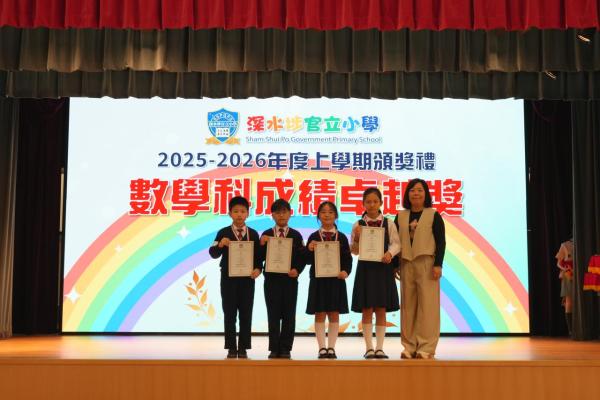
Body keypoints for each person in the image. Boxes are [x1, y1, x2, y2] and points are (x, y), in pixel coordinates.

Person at [394, 178, 446, 359]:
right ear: (407, 194)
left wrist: (438, 264)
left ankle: (426, 347)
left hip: (427, 263)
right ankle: (408, 346)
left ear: (426, 194)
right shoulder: (400, 216)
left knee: (428, 307)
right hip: (406, 262)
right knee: (407, 307)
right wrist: (395, 265)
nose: (416, 193)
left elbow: (441, 242)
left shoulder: (433, 215)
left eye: (419, 190)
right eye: (412, 190)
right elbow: (395, 242)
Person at [209, 196, 262, 359]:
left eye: (243, 211)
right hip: (228, 279)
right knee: (229, 313)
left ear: (248, 213)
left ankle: (243, 347)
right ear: (230, 213)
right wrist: (220, 244)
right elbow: (212, 253)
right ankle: (231, 347)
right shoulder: (223, 232)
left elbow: (259, 257)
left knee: (246, 313)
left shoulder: (253, 234)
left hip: (247, 279)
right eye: (236, 211)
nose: (239, 214)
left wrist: (258, 269)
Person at [350, 188, 400, 359]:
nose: (371, 205)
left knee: (381, 308)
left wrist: (390, 254)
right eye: (368, 202)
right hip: (365, 269)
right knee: (367, 308)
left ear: (381, 203)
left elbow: (396, 244)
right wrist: (357, 238)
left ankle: (379, 348)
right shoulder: (357, 225)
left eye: (375, 201)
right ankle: (369, 348)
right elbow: (354, 251)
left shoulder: (389, 223)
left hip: (383, 269)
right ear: (363, 204)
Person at [260, 199, 306, 359]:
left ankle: (286, 348)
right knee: (272, 315)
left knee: (289, 315)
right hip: (271, 281)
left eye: (284, 212)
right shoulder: (266, 234)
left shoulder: (296, 235)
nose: (281, 215)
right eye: (277, 212)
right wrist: (261, 244)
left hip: (290, 281)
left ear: (290, 214)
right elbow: (258, 257)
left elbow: (302, 257)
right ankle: (274, 348)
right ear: (272, 215)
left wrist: (297, 270)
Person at [305, 201, 352, 359]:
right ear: (318, 216)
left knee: (334, 313)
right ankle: (321, 348)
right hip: (318, 280)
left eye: (330, 212)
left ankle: (331, 347)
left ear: (336, 216)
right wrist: (309, 249)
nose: (327, 215)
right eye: (323, 212)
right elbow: (307, 260)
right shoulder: (313, 237)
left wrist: (346, 271)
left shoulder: (342, 237)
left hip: (336, 280)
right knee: (319, 313)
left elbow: (348, 259)